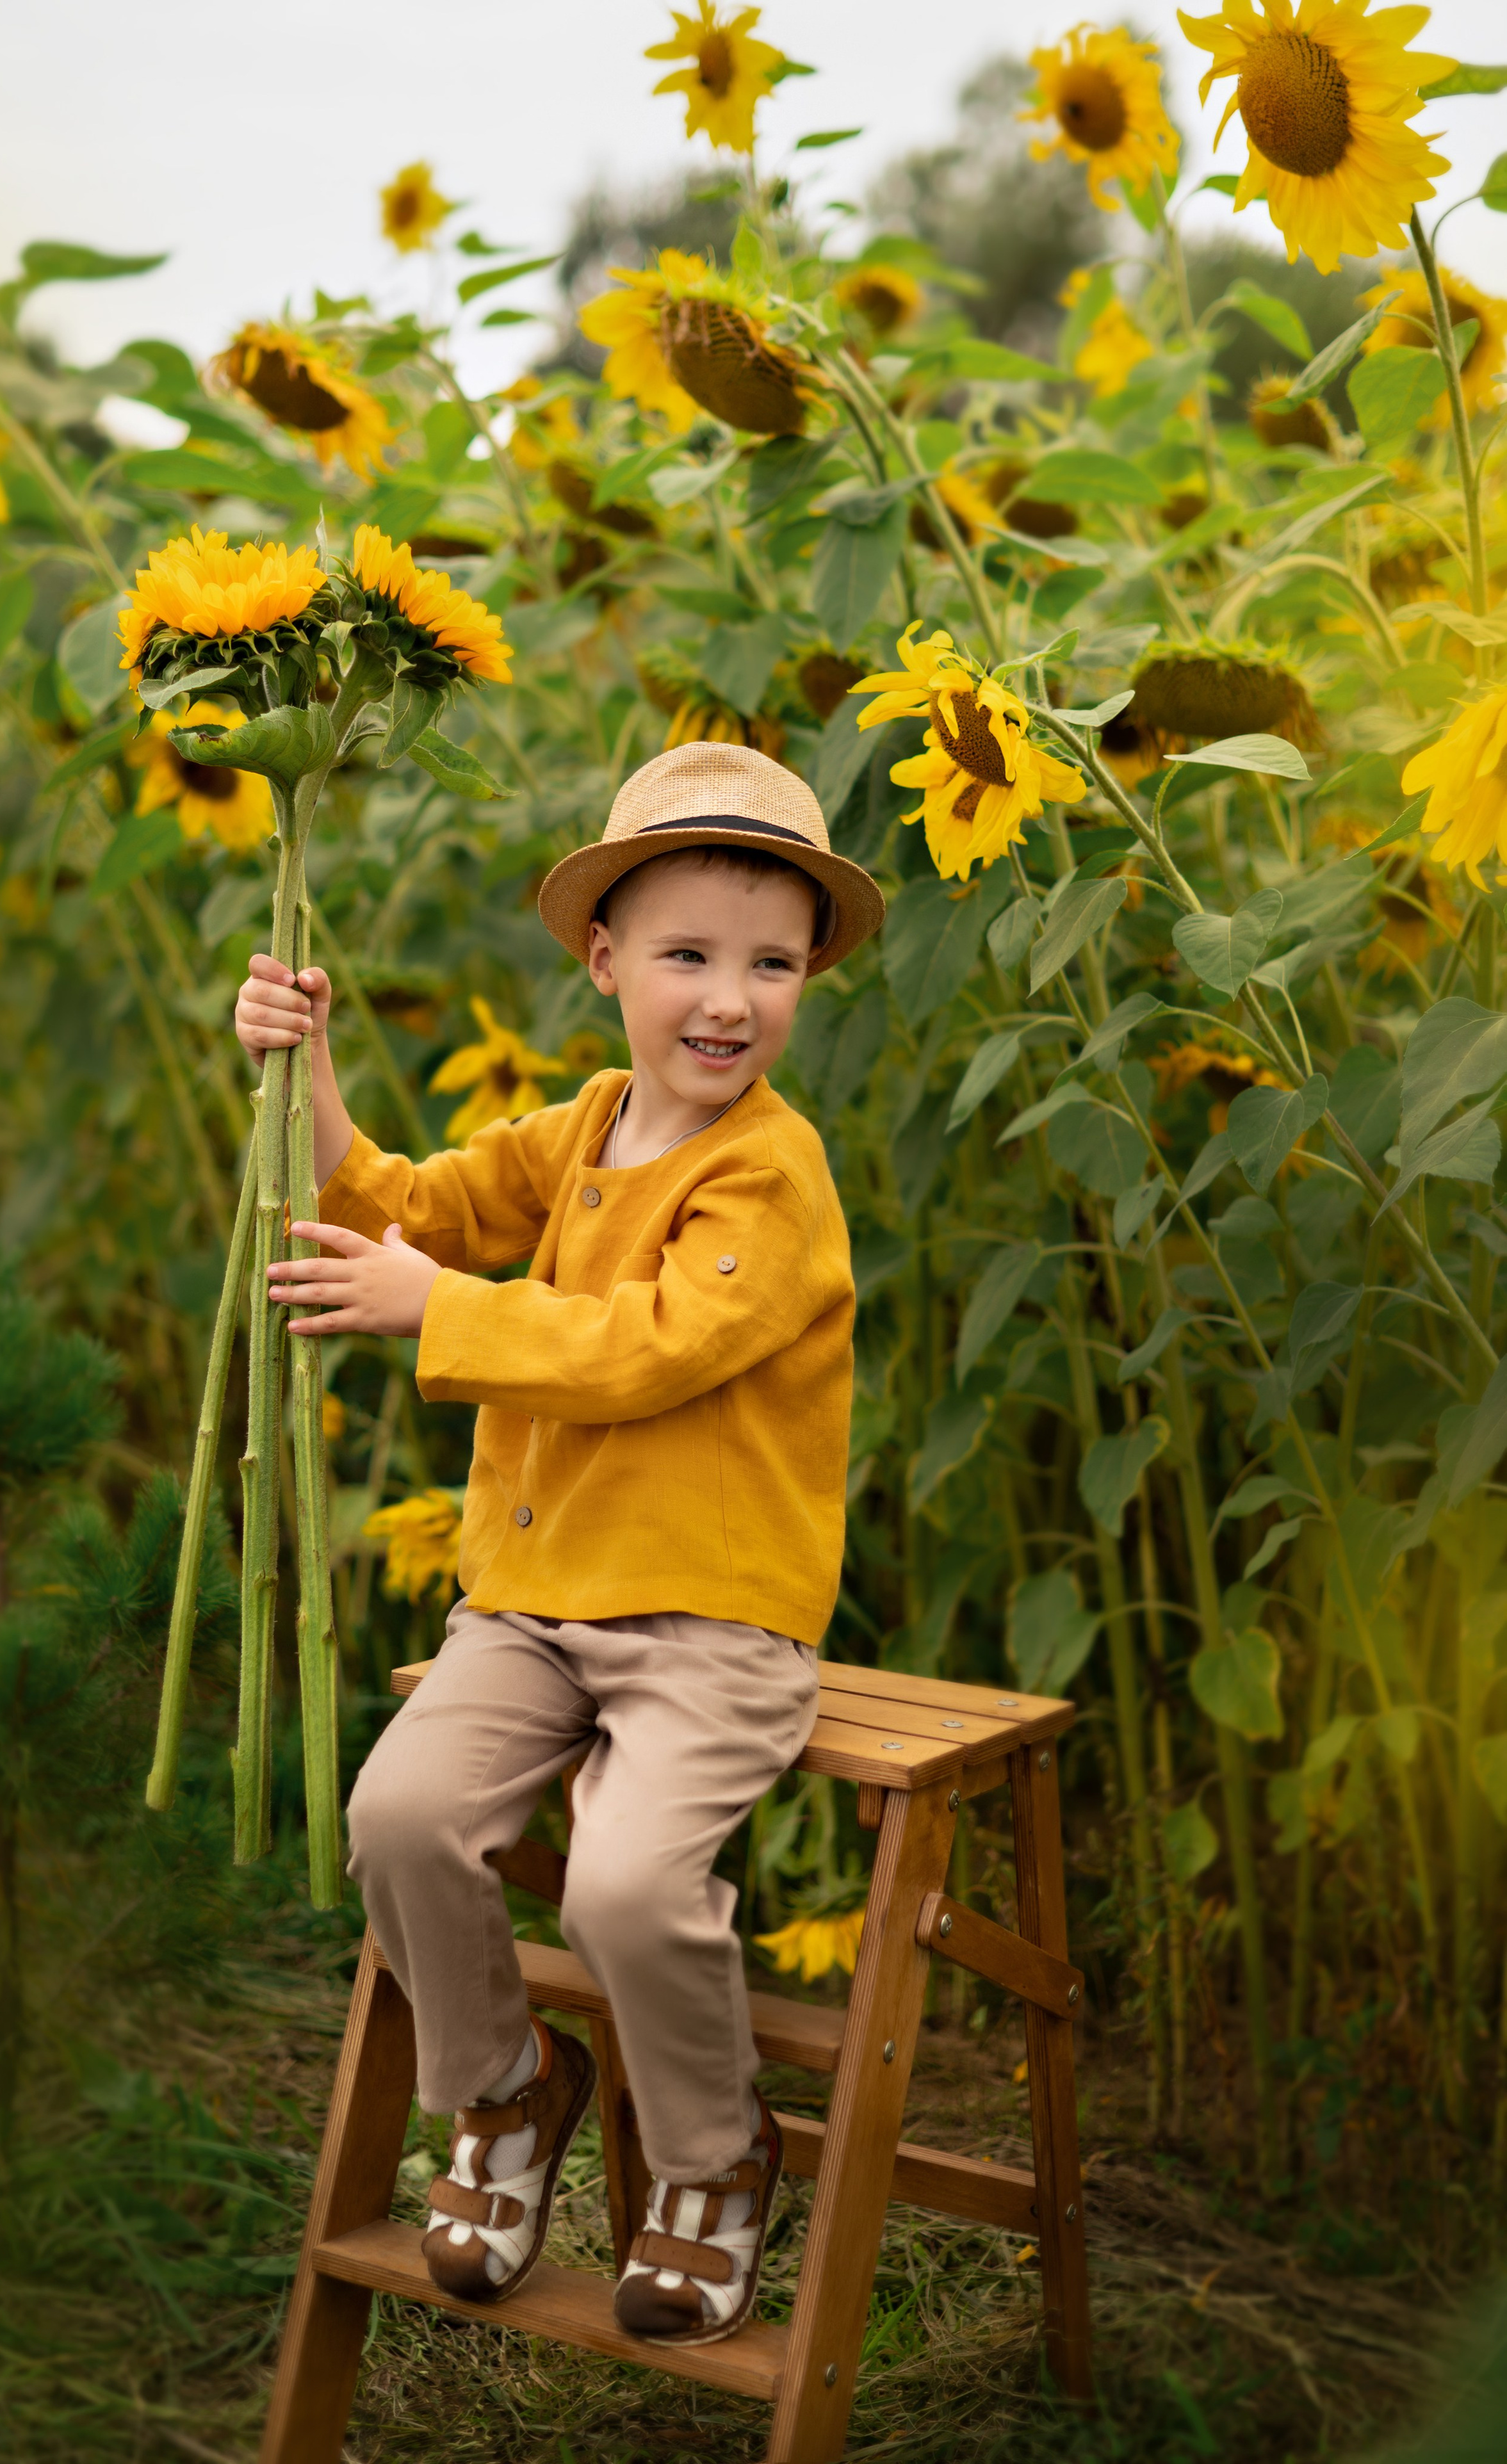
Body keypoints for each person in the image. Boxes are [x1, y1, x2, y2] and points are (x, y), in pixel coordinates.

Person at [235, 740, 883, 2347]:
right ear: (604, 961)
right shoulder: (585, 1126)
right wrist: (301, 1068)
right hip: (529, 1605)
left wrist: (434, 1313)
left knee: (628, 1886)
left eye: (769, 963)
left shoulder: (773, 1177)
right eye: (685, 956)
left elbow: (645, 1347)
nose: (726, 1000)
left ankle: (716, 2153)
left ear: (805, 978)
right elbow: (404, 1204)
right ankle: (509, 2091)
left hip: (713, 1621)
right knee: (395, 1814)